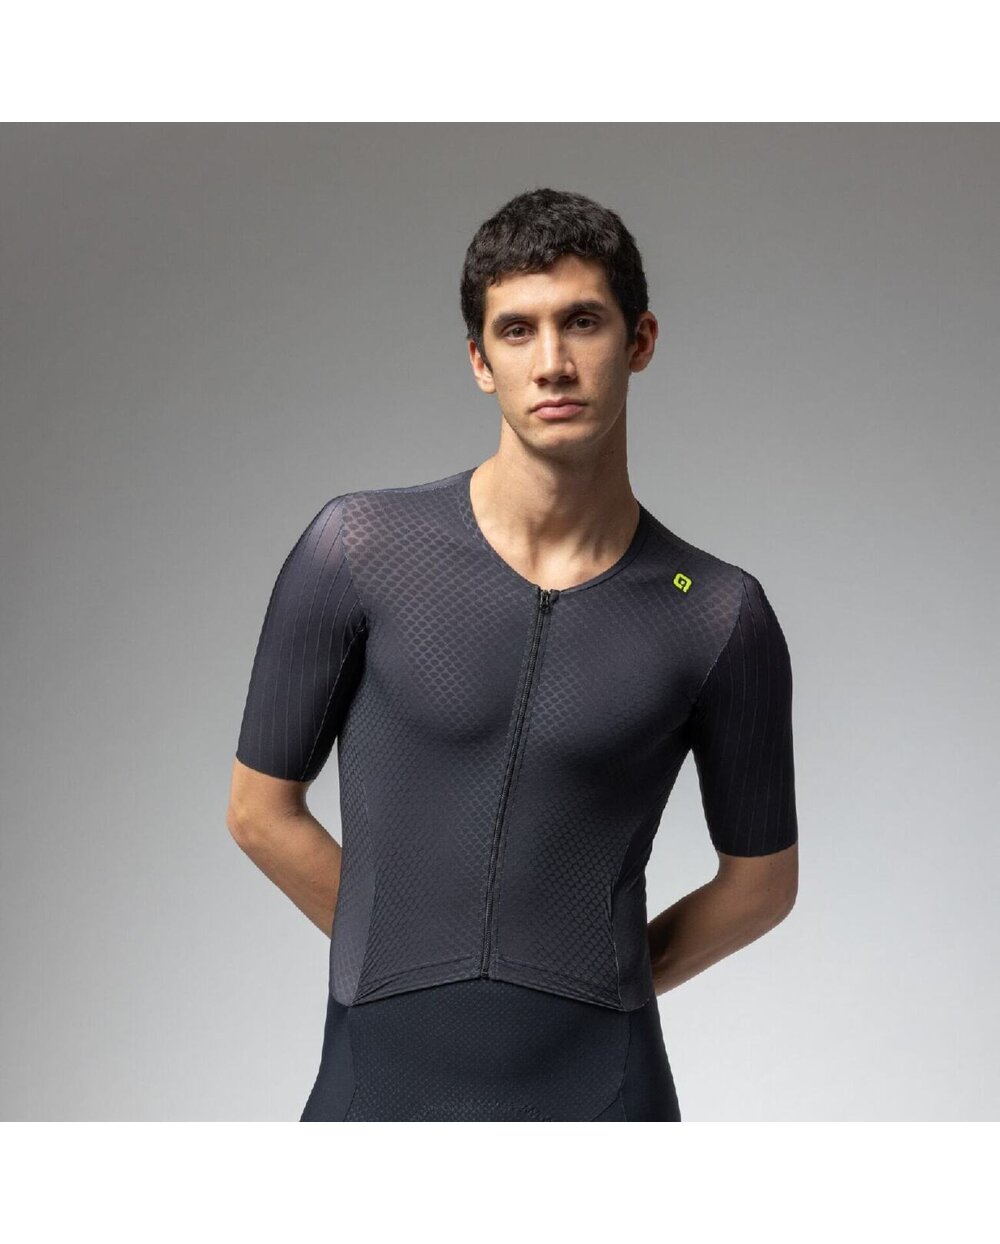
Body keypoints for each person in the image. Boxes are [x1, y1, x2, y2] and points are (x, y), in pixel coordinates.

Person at [226, 187, 799, 1121]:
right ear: (480, 361)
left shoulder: (717, 613)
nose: (553, 363)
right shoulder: (361, 550)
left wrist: (599, 975)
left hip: (604, 1090)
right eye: (518, 330)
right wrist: (402, 954)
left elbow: (762, 886)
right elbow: (259, 812)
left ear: (641, 341)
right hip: (381, 1082)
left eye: (583, 322)